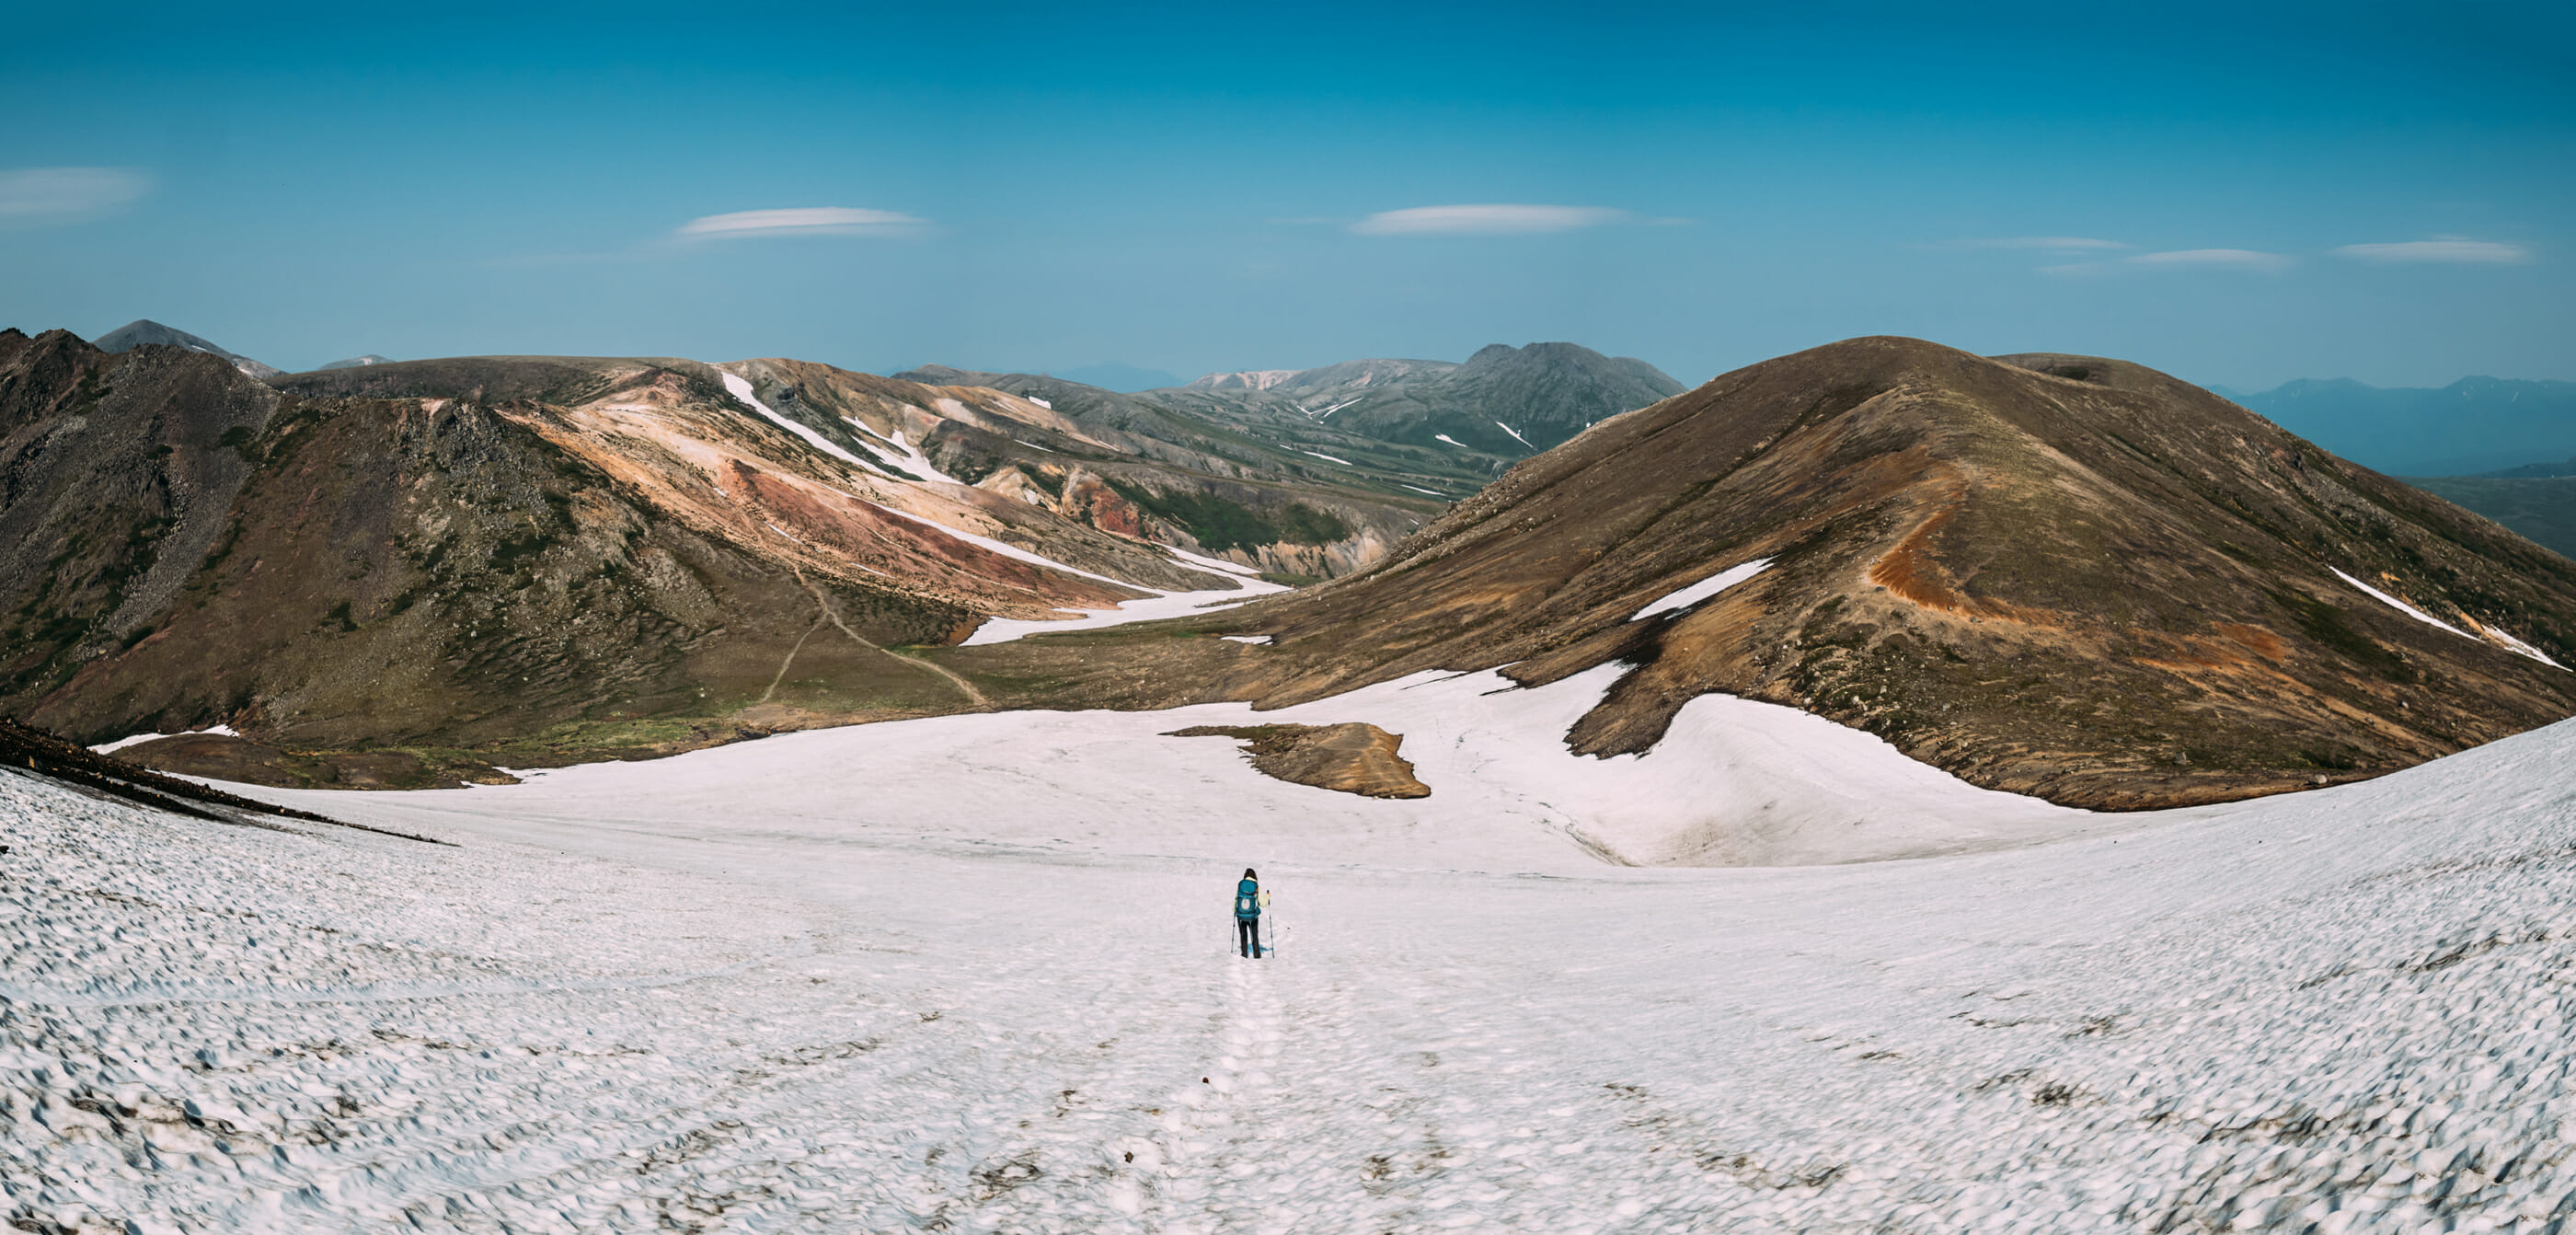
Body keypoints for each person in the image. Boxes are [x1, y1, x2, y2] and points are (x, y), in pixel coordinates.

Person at [1234, 868, 1265, 958]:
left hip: (1241, 914)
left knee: (1243, 935)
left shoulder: (1241, 884)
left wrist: (1235, 910)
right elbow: (1262, 903)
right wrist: (1267, 897)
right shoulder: (1255, 886)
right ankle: (1257, 955)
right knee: (1254, 935)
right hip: (1253, 916)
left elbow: (1236, 898)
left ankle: (1244, 955)